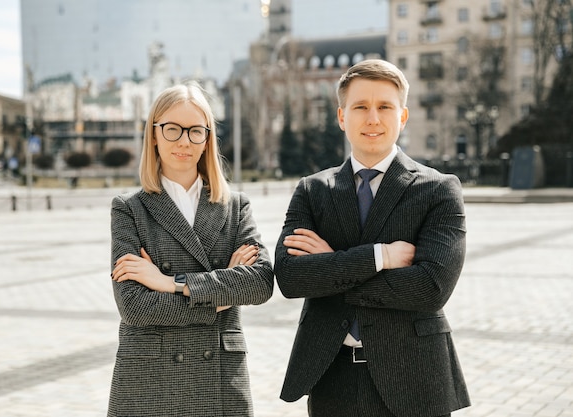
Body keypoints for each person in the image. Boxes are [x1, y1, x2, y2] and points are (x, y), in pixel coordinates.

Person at [274, 59, 470, 417]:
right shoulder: (313, 191)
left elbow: (431, 288)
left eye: (385, 107)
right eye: (360, 107)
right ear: (341, 117)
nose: (373, 118)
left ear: (403, 116)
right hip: (332, 375)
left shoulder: (439, 189)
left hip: (415, 375)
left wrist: (332, 266)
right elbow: (289, 277)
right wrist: (379, 257)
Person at [107, 82, 274, 417]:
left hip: (219, 377)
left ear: (207, 139)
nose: (184, 140)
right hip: (150, 379)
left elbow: (260, 283)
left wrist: (171, 282)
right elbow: (135, 307)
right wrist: (220, 298)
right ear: (153, 135)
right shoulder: (129, 209)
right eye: (172, 129)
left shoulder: (235, 206)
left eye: (195, 131)